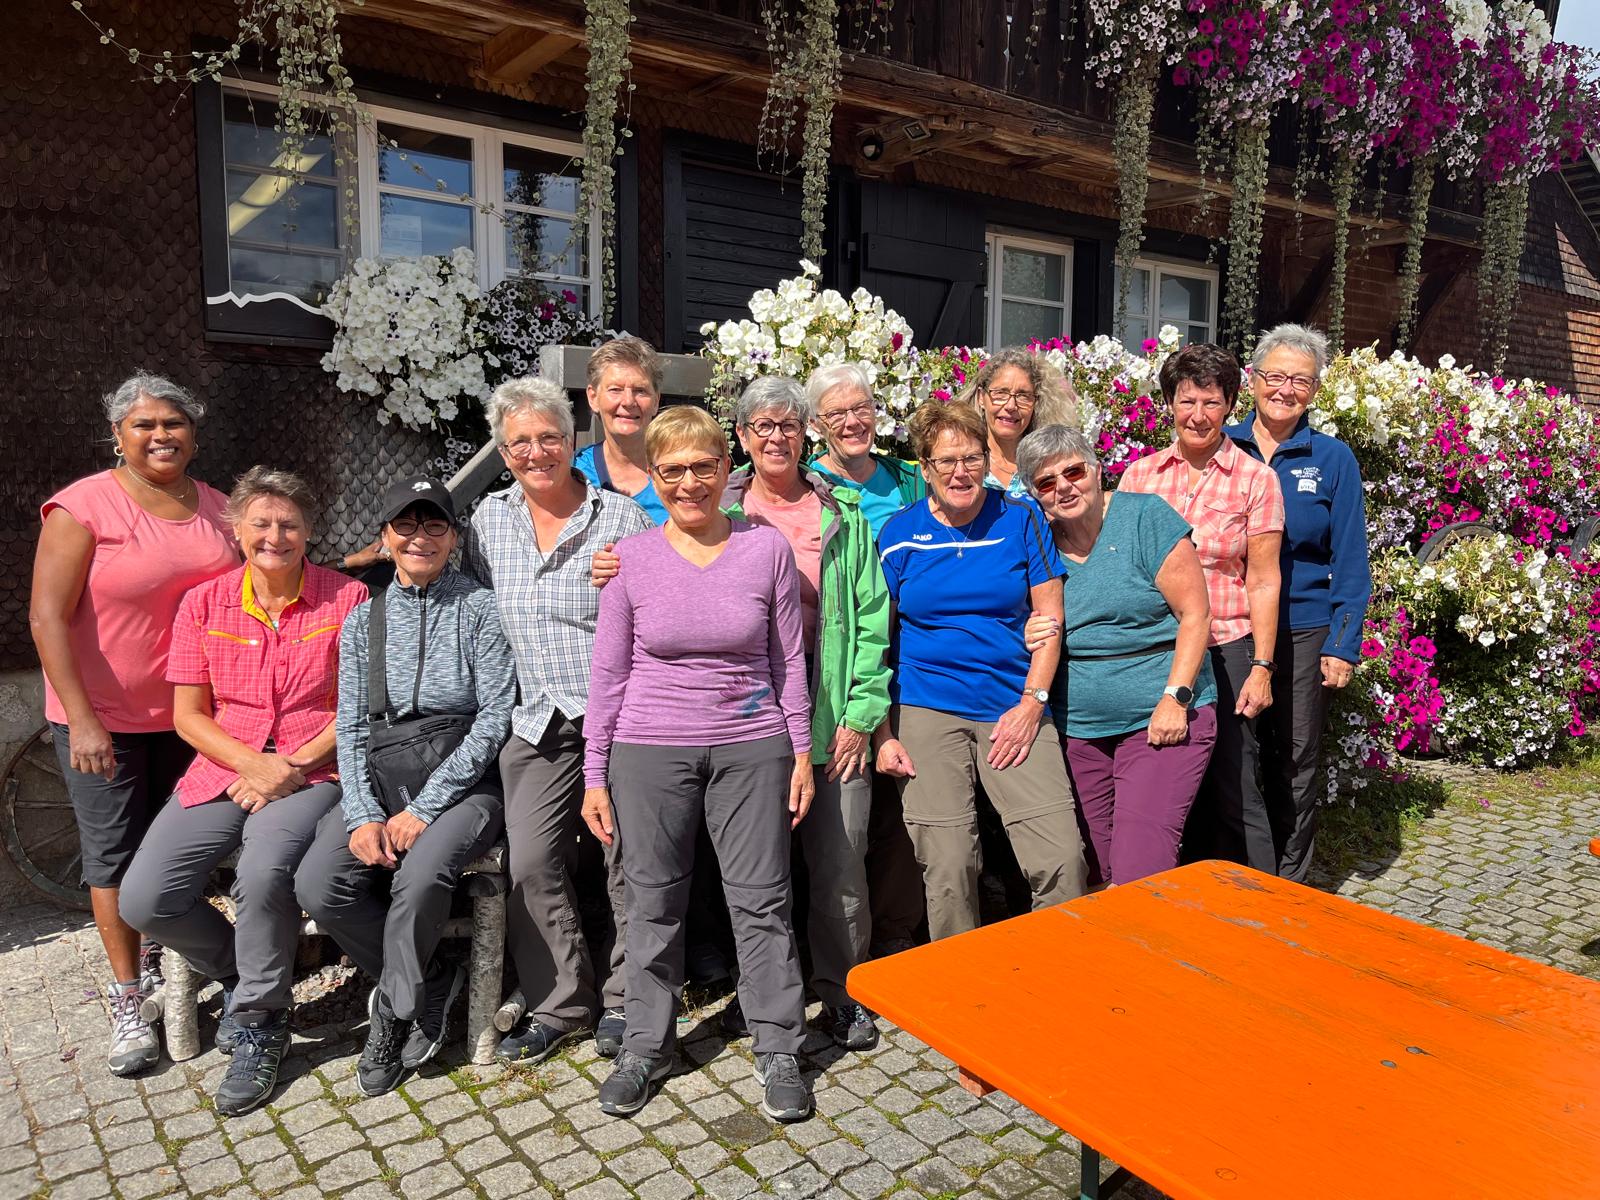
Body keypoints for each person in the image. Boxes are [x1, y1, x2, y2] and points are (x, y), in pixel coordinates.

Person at [581, 405, 815, 1122]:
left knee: (762, 899)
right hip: (649, 747)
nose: (689, 483)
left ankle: (778, 1043)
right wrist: (594, 773)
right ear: (655, 477)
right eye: (673, 469)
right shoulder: (631, 559)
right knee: (651, 901)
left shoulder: (765, 549)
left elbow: (788, 658)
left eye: (703, 466)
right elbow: (609, 672)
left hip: (752, 746)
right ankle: (646, 1045)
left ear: (725, 468)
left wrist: (801, 751)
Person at [119, 468, 366, 1116]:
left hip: (313, 769)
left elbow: (358, 706)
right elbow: (188, 715)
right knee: (145, 898)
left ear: (310, 531)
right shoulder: (204, 604)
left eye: (289, 524)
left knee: (262, 873)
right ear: (236, 529)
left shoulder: (347, 599)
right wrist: (251, 766)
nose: (274, 536)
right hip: (226, 766)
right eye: (261, 523)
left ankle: (262, 1019)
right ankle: (241, 968)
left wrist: (289, 766)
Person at [28, 373, 237, 1075]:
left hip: (192, 717)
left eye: (173, 423)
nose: (160, 436)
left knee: (177, 849)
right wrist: (81, 719)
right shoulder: (84, 507)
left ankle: (176, 957)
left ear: (194, 434)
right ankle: (128, 996)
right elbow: (46, 617)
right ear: (117, 435)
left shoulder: (219, 508)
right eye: (143, 424)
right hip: (106, 721)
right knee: (115, 857)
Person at [294, 477, 515, 1096]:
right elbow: (351, 725)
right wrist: (363, 812)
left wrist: (425, 808)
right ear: (385, 537)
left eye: (434, 524)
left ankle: (392, 1013)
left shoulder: (480, 609)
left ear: (454, 537)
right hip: (384, 777)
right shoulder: (364, 620)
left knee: (419, 880)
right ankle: (432, 978)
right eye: (406, 525)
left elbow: (495, 717)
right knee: (320, 882)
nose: (420, 537)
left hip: (466, 783)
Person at [465, 378, 651, 1066]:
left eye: (549, 437)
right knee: (533, 862)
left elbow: (657, 608)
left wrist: (625, 580)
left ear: (573, 441)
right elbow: (474, 612)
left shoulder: (620, 517)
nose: (536, 452)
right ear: (503, 451)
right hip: (534, 718)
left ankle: (629, 997)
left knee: (625, 856)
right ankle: (562, 1001)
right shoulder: (487, 522)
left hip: (618, 716)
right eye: (520, 442)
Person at [874, 401, 1087, 941]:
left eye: (971, 458)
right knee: (948, 865)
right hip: (926, 706)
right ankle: (958, 979)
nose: (960, 472)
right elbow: (877, 642)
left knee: (1061, 856)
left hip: (1012, 703)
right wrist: (882, 732)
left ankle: (1063, 967)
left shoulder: (1021, 519)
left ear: (987, 462)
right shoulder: (898, 535)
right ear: (925, 467)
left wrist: (1032, 703)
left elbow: (1050, 618)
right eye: (946, 461)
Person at [721, 376, 891, 1049]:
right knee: (755, 869)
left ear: (805, 434)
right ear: (742, 436)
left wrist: (860, 714)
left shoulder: (842, 512)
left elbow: (873, 620)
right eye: (762, 426)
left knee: (841, 862)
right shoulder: (719, 506)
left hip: (832, 708)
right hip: (748, 715)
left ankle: (843, 990)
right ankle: (763, 991)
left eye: (788, 425)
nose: (775, 437)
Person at [1017, 425, 1218, 887]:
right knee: (1093, 869)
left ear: (1096, 468)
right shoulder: (1039, 542)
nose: (1064, 487)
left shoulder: (1145, 517)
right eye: (1046, 482)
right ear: (1036, 495)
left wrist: (1175, 698)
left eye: (1073, 471)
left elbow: (1196, 614)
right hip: (1080, 729)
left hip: (1160, 717)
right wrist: (1025, 627)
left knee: (1139, 870)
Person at [1117, 343, 1285, 872]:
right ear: (1169, 403)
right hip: (1154, 652)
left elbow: (1263, 579)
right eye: (1187, 400)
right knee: (1164, 784)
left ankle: (1259, 899)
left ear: (1230, 404)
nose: (1198, 415)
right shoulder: (1139, 477)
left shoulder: (1256, 479)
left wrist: (1262, 666)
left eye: (1211, 402)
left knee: (1236, 785)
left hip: (1226, 647)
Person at [1228, 324, 1371, 881]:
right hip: (1231, 626)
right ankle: (1240, 868)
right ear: (1253, 379)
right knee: (1234, 755)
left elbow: (1351, 559)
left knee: (1295, 757)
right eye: (1276, 376)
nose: (1285, 389)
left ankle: (1290, 881)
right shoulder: (1222, 446)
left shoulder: (1332, 458)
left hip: (1304, 628)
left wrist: (1343, 643)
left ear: (1314, 391)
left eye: (1301, 381)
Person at [802, 363, 927, 958]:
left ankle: (895, 925)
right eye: (837, 413)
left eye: (862, 408)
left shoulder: (909, 479)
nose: (853, 421)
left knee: (901, 796)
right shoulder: (805, 482)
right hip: (842, 657)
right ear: (815, 423)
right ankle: (831, 936)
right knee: (840, 804)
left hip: (912, 651)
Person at [952, 347, 1079, 498]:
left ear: (1036, 402)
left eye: (1023, 395)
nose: (1011, 406)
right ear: (981, 397)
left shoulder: (1048, 464)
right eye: (1000, 393)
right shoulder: (961, 463)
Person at [574, 335, 669, 523]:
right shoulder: (573, 472)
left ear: (656, 401)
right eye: (615, 390)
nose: (628, 401)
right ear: (593, 398)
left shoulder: (680, 472)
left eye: (640, 390)